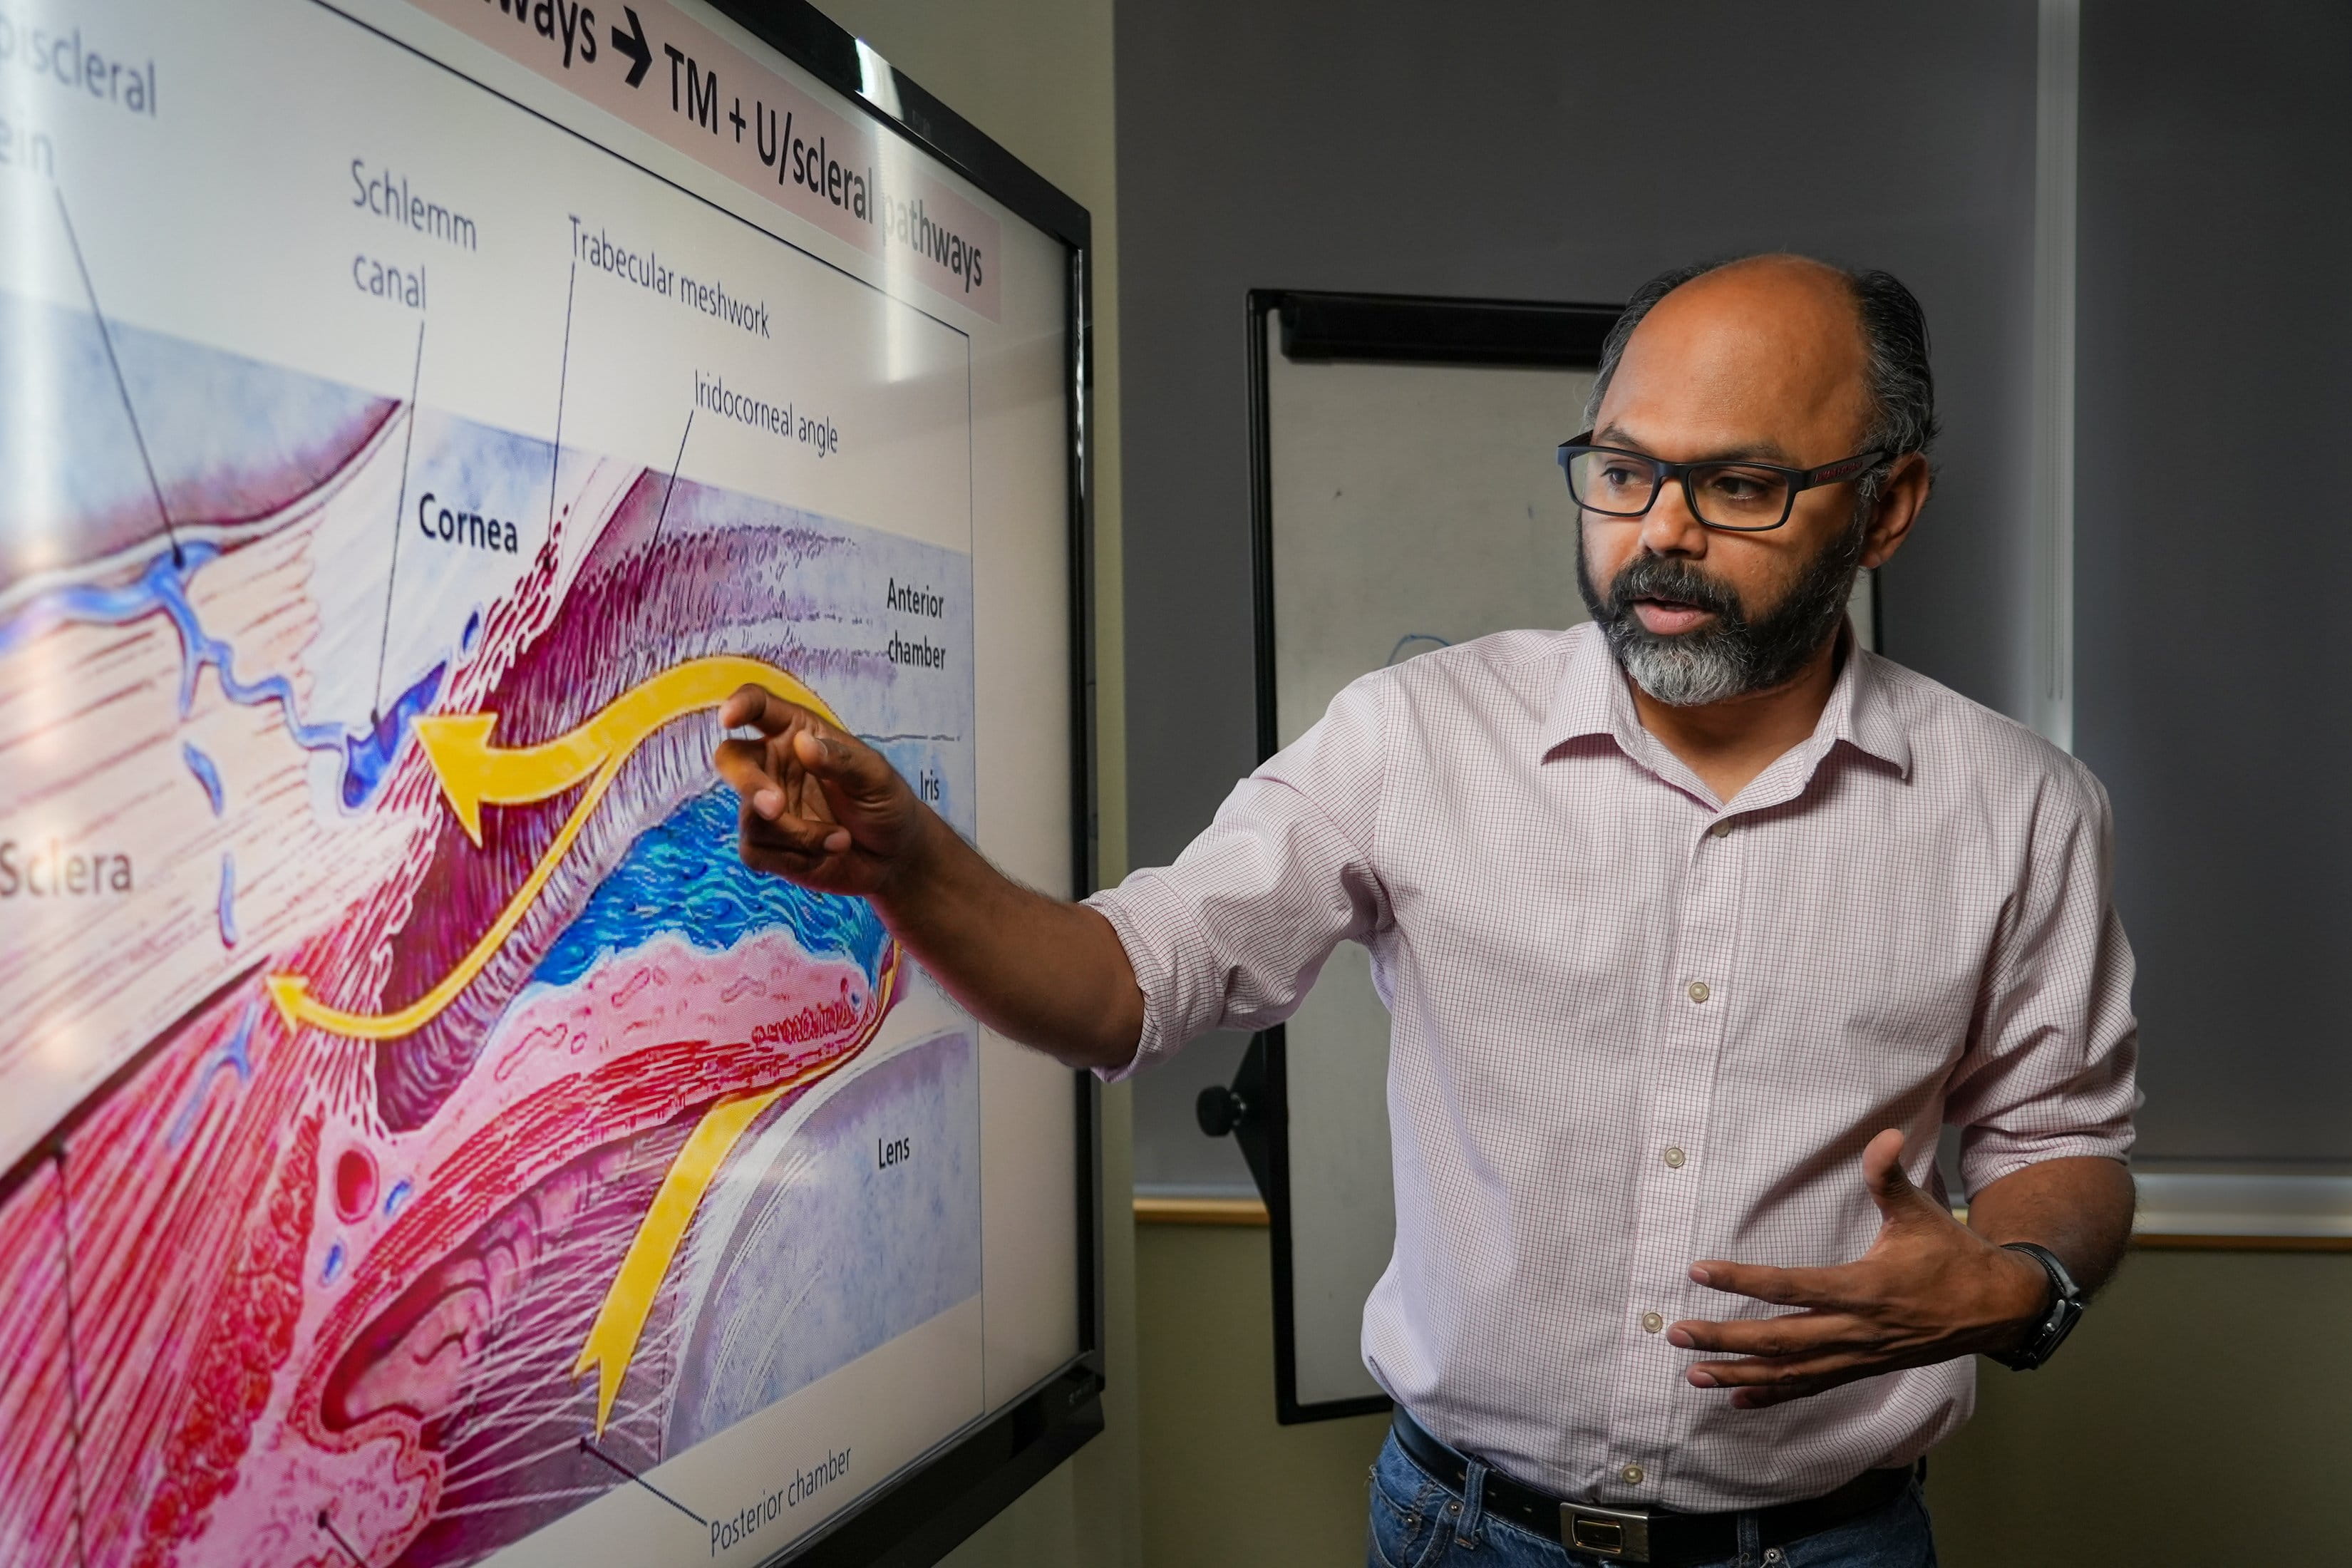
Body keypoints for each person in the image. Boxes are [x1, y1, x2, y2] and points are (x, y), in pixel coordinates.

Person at [713, 253, 2139, 1568]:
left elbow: (2065, 1148)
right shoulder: (1415, 735)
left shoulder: (2020, 807)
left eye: (1743, 486)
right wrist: (908, 866)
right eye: (1625, 471)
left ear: (1887, 504)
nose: (1663, 534)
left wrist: (2018, 1281)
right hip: (1465, 1533)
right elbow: (1123, 985)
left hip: (1830, 1544)